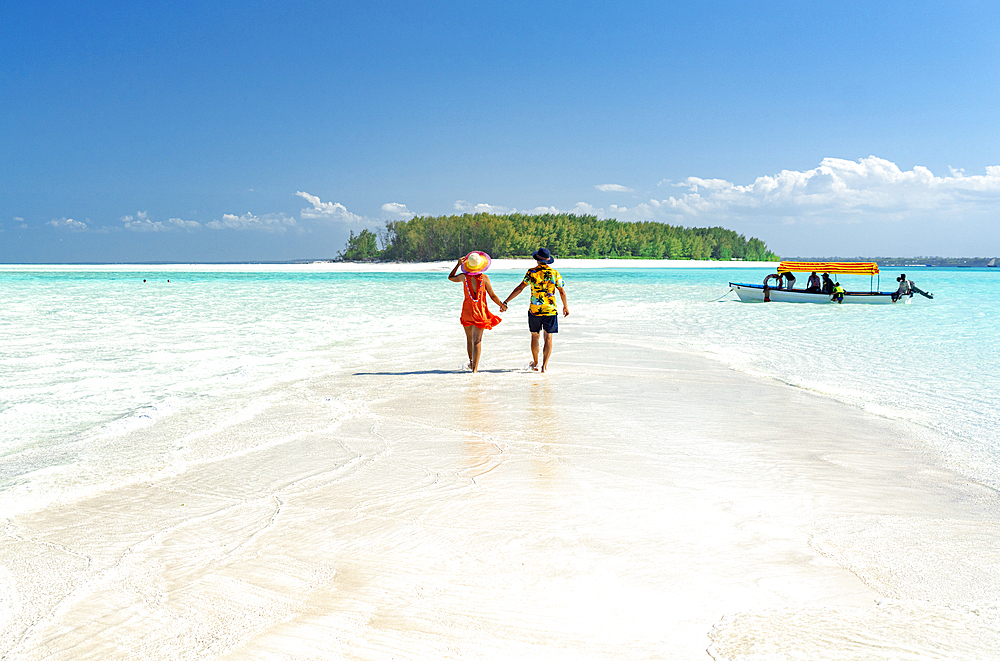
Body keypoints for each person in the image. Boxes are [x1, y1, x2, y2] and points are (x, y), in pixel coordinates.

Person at [502, 248, 569, 373]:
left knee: (534, 336)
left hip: (535, 310)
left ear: (537, 260)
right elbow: (562, 291)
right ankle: (544, 367)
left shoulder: (531, 272)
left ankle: (536, 363)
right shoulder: (555, 273)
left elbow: (520, 288)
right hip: (550, 310)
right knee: (548, 337)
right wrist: (565, 306)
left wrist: (506, 301)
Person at [448, 251, 506, 372]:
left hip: (467, 311)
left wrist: (458, 265)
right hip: (480, 312)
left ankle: (470, 363)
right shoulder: (484, 278)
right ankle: (475, 369)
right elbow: (493, 296)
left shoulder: (464, 277)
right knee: (477, 340)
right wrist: (502, 305)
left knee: (469, 339)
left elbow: (451, 277)